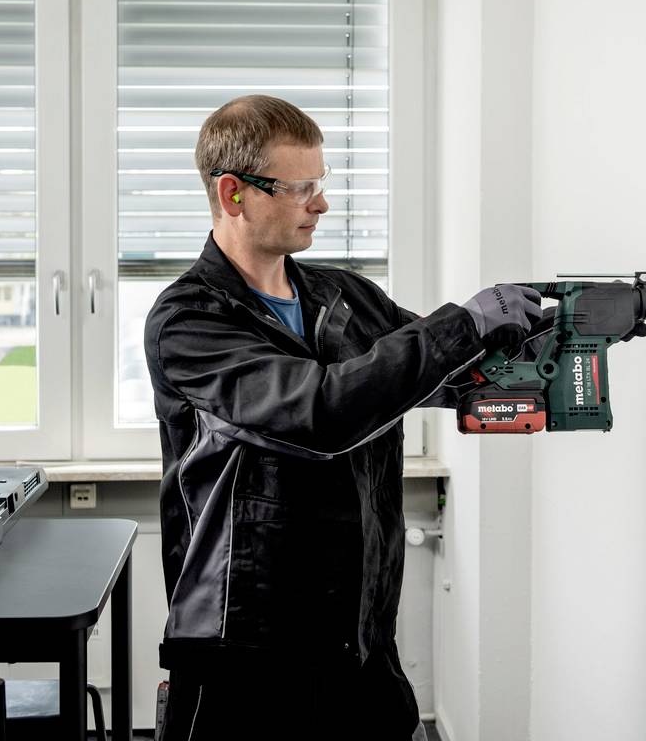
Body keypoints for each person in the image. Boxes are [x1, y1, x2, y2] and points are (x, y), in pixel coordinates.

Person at [144, 95, 540, 740]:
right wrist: (465, 322)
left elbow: (443, 373)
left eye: (319, 185)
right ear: (233, 191)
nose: (320, 204)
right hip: (245, 638)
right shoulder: (189, 321)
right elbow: (319, 410)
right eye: (300, 188)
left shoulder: (343, 295)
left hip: (360, 629)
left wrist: (560, 332)